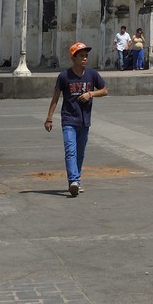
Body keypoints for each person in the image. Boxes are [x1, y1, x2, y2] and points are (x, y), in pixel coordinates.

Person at [45, 42, 108, 197]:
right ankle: (73, 180)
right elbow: (55, 98)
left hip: (84, 121)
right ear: (73, 58)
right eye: (81, 56)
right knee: (70, 151)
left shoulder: (92, 74)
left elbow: (105, 90)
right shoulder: (64, 76)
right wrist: (49, 118)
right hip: (68, 119)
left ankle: (77, 181)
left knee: (80, 153)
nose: (85, 58)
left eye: (86, 55)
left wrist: (90, 94)